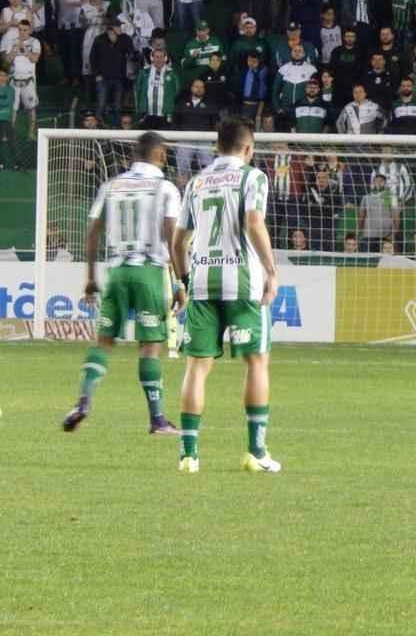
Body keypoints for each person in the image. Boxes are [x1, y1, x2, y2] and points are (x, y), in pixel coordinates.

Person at [171, 117, 281, 474]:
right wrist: (271, 270)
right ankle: (256, 452)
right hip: (243, 284)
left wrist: (184, 280)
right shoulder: (254, 177)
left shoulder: (197, 182)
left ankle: (189, 455)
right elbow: (253, 222)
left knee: (197, 368)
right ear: (248, 148)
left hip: (202, 282)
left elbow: (177, 241)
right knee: (256, 362)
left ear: (217, 147)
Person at [62, 132, 184, 435]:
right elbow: (173, 237)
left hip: (115, 271)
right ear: (161, 154)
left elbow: (92, 233)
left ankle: (83, 401)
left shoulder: (111, 185)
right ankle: (157, 420)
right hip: (149, 272)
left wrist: (91, 278)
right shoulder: (165, 188)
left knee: (103, 341)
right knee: (150, 346)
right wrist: (181, 281)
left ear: (133, 155)